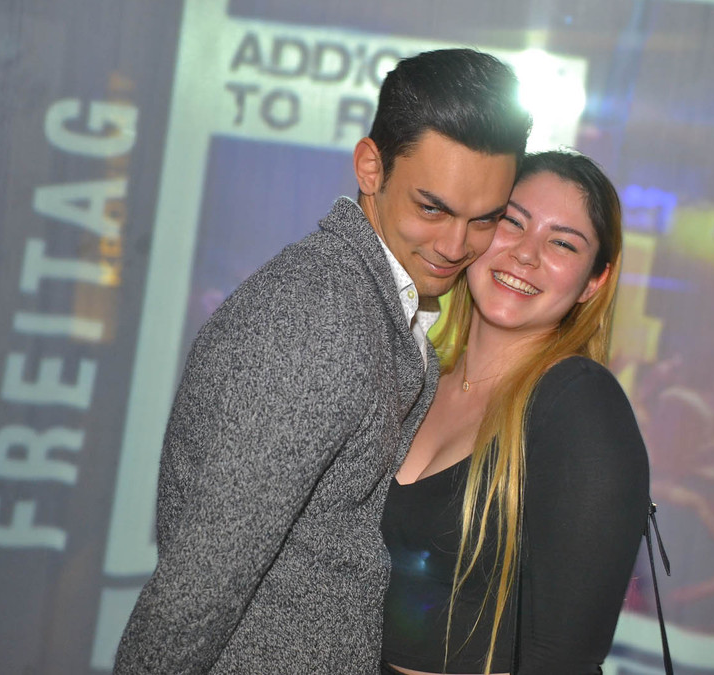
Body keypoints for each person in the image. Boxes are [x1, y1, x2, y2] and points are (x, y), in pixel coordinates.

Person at [113, 48, 531, 675]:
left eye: (484, 220)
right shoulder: (320, 318)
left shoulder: (369, 300)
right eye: (432, 208)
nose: (454, 245)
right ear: (371, 167)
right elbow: (196, 589)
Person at [381, 150, 649, 675]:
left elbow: (562, 662)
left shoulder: (580, 406)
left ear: (593, 282)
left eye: (563, 243)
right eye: (511, 222)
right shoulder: (413, 378)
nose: (526, 254)